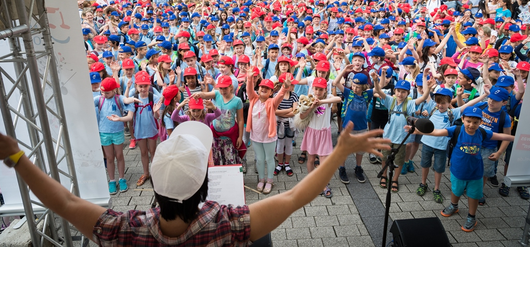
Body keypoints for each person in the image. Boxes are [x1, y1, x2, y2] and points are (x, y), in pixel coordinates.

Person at [0, 120, 391, 246]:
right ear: (205, 186)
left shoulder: (124, 231)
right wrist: (338, 154)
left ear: (154, 187)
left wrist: (16, 156)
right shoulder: (230, 224)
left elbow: (65, 203)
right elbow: (293, 198)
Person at [408, 106, 514, 233]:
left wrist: (518, 139)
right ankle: (454, 206)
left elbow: (501, 136)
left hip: (475, 173)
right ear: (463, 119)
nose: (471, 125)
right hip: (458, 170)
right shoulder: (456, 130)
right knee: (456, 190)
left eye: (475, 122)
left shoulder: (483, 132)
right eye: (468, 121)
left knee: (473, 195)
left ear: (481, 122)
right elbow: (437, 132)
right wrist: (419, 132)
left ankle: (471, 217)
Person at [299, 77, 342, 199]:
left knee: (323, 163)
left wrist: (321, 102)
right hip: (312, 132)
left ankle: (323, 185)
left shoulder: (328, 98)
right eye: (316, 89)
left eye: (321, 89)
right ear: (312, 88)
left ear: (325, 90)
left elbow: (338, 98)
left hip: (324, 133)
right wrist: (311, 106)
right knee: (311, 159)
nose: (318, 92)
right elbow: (302, 117)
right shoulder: (308, 99)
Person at [246, 75, 289, 194]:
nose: (263, 89)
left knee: (269, 159)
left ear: (271, 92)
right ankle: (261, 179)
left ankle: (270, 181)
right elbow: (249, 90)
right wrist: (249, 78)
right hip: (256, 137)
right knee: (259, 160)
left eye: (267, 88)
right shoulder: (253, 99)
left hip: (269, 137)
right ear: (258, 89)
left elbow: (280, 96)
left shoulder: (272, 102)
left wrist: (285, 87)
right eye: (261, 87)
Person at [94, 77, 135, 195]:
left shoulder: (119, 99)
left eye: (107, 92)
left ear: (114, 90)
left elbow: (126, 100)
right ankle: (112, 180)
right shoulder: (99, 99)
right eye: (103, 92)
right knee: (109, 158)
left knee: (119, 155)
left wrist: (133, 98)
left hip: (117, 132)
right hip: (104, 132)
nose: (105, 95)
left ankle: (122, 178)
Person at [132, 71, 161, 187]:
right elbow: (130, 116)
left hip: (151, 128)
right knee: (143, 152)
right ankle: (146, 173)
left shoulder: (153, 97)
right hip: (139, 130)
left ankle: (154, 173)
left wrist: (156, 112)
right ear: (136, 86)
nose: (143, 88)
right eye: (140, 86)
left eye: (145, 86)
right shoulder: (133, 98)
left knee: (153, 151)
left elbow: (157, 117)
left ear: (149, 86)